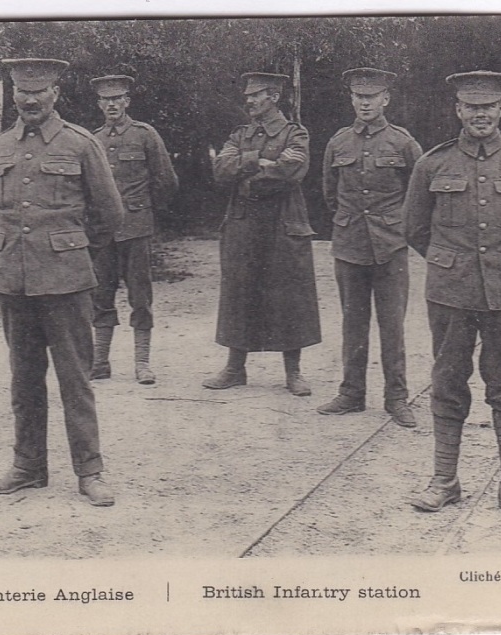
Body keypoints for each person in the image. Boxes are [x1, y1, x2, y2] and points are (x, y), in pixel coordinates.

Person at [404, 71, 501, 521]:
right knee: (448, 382)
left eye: (487, 107)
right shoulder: (432, 164)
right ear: (457, 110)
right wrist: (450, 263)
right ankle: (444, 482)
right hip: (450, 293)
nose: (479, 115)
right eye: (471, 107)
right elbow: (415, 228)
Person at [0, 58, 124, 506]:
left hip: (65, 282)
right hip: (14, 281)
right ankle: (28, 467)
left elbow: (110, 214)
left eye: (39, 91)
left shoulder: (80, 143)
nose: (29, 99)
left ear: (55, 94)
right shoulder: (0, 146)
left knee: (75, 380)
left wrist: (69, 246)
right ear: (14, 95)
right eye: (22, 92)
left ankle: (89, 471)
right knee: (23, 380)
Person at [203, 72, 321, 396]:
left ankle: (293, 372)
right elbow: (220, 170)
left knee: (289, 294)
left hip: (283, 222)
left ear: (274, 96)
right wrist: (259, 160)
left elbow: (290, 171)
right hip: (243, 223)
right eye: (247, 96)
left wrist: (248, 173)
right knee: (239, 291)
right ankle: (234, 368)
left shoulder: (295, 133)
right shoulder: (240, 134)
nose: (249, 101)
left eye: (255, 95)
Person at [317, 68, 422, 427]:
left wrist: (397, 227)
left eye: (372, 96)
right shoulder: (338, 142)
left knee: (392, 326)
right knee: (353, 324)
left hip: (391, 246)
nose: (365, 102)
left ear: (385, 99)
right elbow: (329, 194)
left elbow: (418, 195)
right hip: (349, 246)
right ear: (351, 99)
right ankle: (351, 394)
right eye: (359, 96)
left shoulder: (403, 143)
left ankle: (397, 398)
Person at [88, 74, 179, 384]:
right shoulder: (93, 139)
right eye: (106, 100)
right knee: (100, 294)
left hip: (137, 229)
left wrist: (146, 213)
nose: (112, 105)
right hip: (103, 233)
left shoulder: (145, 135)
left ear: (127, 101)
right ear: (99, 104)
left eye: (117, 99)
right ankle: (100, 362)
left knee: (140, 297)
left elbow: (165, 180)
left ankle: (142, 363)